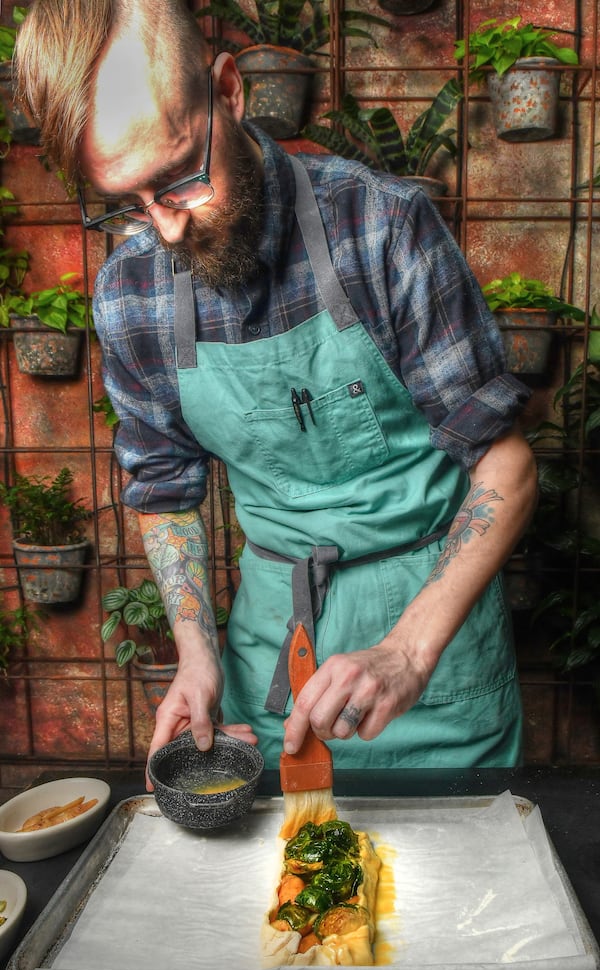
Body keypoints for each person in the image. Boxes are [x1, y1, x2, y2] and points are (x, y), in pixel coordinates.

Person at [15, 0, 538, 784]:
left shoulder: (381, 228)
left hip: (436, 662)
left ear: (229, 93)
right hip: (273, 664)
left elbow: (509, 467)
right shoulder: (131, 294)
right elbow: (164, 492)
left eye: (178, 179)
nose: (164, 231)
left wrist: (405, 652)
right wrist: (196, 658)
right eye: (127, 205)